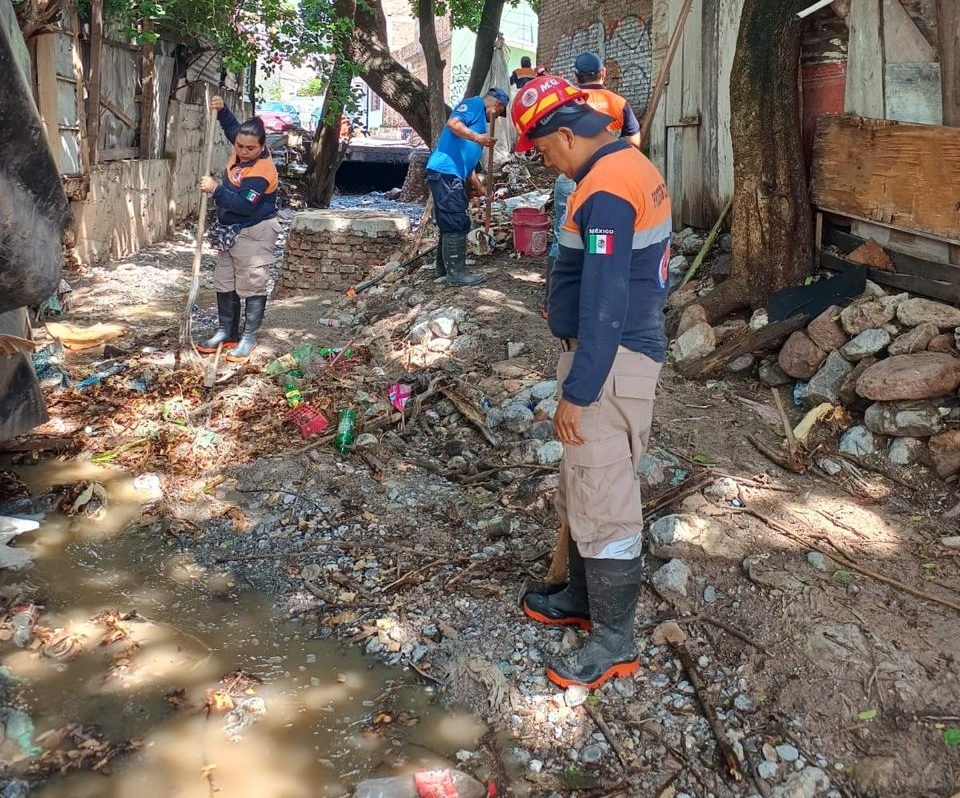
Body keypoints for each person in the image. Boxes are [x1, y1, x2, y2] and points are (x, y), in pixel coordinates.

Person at [512, 75, 671, 690]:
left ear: (565, 133)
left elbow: (605, 299)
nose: (541, 158)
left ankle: (613, 641)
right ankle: (580, 601)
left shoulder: (605, 190)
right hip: (612, 355)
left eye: (541, 147)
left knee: (604, 498)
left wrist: (579, 391)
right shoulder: (623, 165)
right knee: (585, 484)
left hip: (610, 360)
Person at [544, 52, 642, 315]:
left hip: (569, 179)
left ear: (575, 76)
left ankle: (553, 305)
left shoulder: (566, 102)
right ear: (603, 74)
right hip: (608, 183)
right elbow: (634, 144)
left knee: (563, 236)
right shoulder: (619, 103)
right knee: (605, 239)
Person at [196, 96, 280, 363]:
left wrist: (216, 189)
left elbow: (243, 206)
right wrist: (222, 109)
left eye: (249, 148)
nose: (243, 151)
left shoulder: (262, 171)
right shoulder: (241, 145)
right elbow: (232, 127)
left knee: (252, 283)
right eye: (240, 146)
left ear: (262, 146)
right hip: (229, 230)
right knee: (225, 280)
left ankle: (248, 337)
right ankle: (226, 331)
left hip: (254, 230)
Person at [425, 88, 509, 287]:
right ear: (497, 105)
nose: (494, 118)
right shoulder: (474, 105)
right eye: (498, 113)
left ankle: (443, 270)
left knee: (449, 220)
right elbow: (453, 123)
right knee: (456, 220)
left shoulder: (478, 120)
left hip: (451, 173)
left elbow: (469, 166)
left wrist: (482, 190)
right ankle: (456, 274)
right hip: (445, 172)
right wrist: (477, 138)